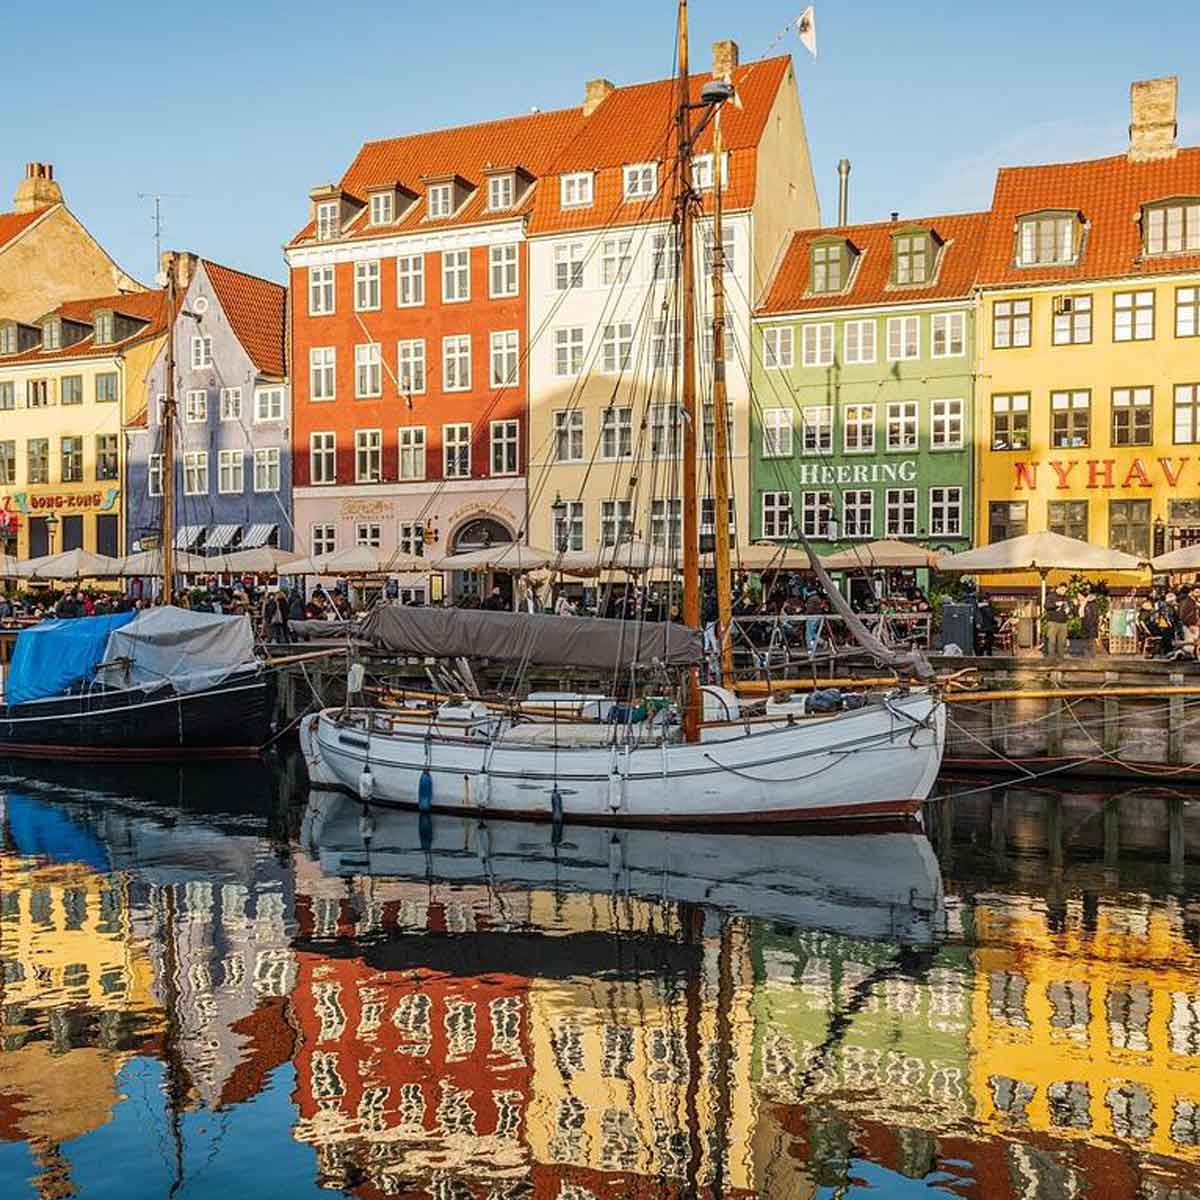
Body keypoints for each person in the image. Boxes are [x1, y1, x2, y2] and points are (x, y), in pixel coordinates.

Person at [1044, 585, 1070, 658]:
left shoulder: (1066, 597)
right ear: (1058, 588)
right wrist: (1055, 604)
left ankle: (1061, 658)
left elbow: (1069, 606)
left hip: (1063, 622)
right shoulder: (1051, 596)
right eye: (1063, 590)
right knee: (1052, 641)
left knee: (1062, 642)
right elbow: (1046, 606)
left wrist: (1068, 610)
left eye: (1065, 590)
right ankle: (1051, 658)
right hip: (1053, 622)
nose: (1064, 592)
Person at [1080, 588, 1102, 656]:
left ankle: (1091, 656)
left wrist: (1091, 625)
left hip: (1090, 626)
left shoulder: (1092, 604)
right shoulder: (1086, 604)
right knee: (1087, 642)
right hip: (1086, 625)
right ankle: (1088, 655)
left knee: (1090, 642)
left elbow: (1095, 616)